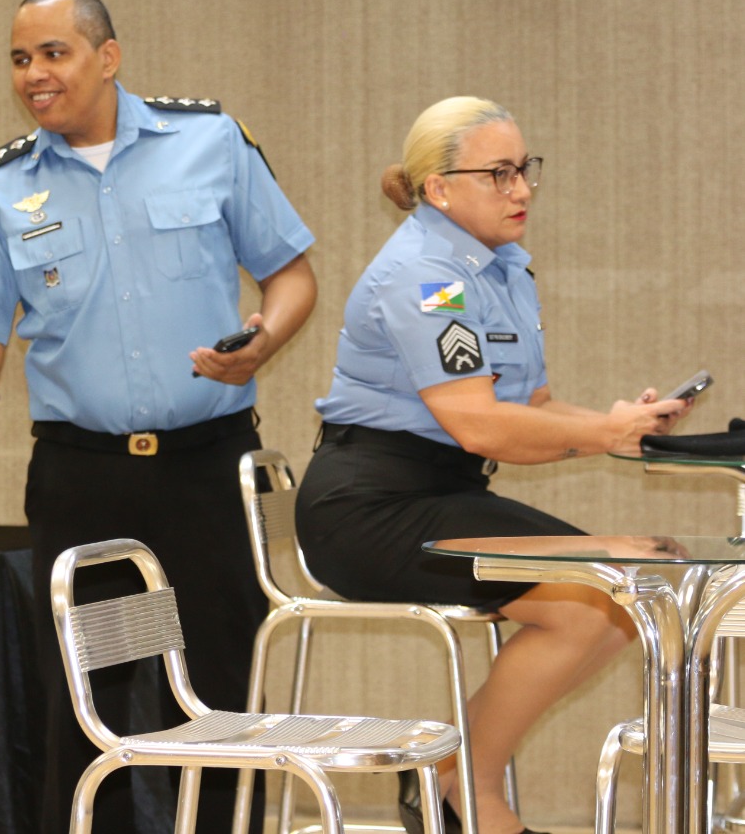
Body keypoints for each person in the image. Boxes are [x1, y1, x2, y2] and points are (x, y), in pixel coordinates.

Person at [0, 0, 317, 833]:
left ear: (107, 57)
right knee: (92, 707)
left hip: (207, 473)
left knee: (224, 699)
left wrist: (264, 339)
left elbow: (290, 276)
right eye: (18, 58)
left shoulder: (208, 143)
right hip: (89, 488)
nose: (34, 75)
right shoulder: (1, 192)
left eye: (52, 53)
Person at [293, 96, 689, 834]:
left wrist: (622, 427)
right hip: (369, 508)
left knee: (618, 597)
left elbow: (532, 402)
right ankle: (466, 793)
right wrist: (601, 435)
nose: (520, 190)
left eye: (524, 170)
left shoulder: (499, 269)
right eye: (498, 173)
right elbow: (476, 424)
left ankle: (452, 780)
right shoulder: (425, 275)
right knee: (593, 598)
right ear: (439, 188)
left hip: (439, 491)